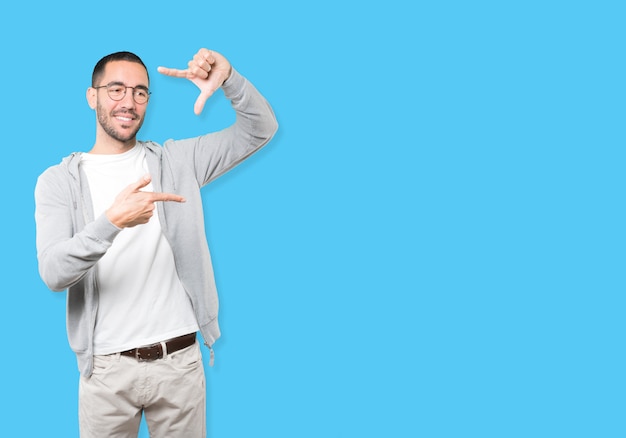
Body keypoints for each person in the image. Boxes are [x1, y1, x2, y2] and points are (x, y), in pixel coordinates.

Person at [34, 47, 278, 437]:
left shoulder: (178, 161)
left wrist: (229, 79)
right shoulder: (59, 181)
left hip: (179, 364)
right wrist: (112, 221)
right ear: (92, 96)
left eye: (140, 92)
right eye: (116, 90)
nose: (128, 102)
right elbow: (53, 271)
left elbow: (260, 128)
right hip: (107, 372)